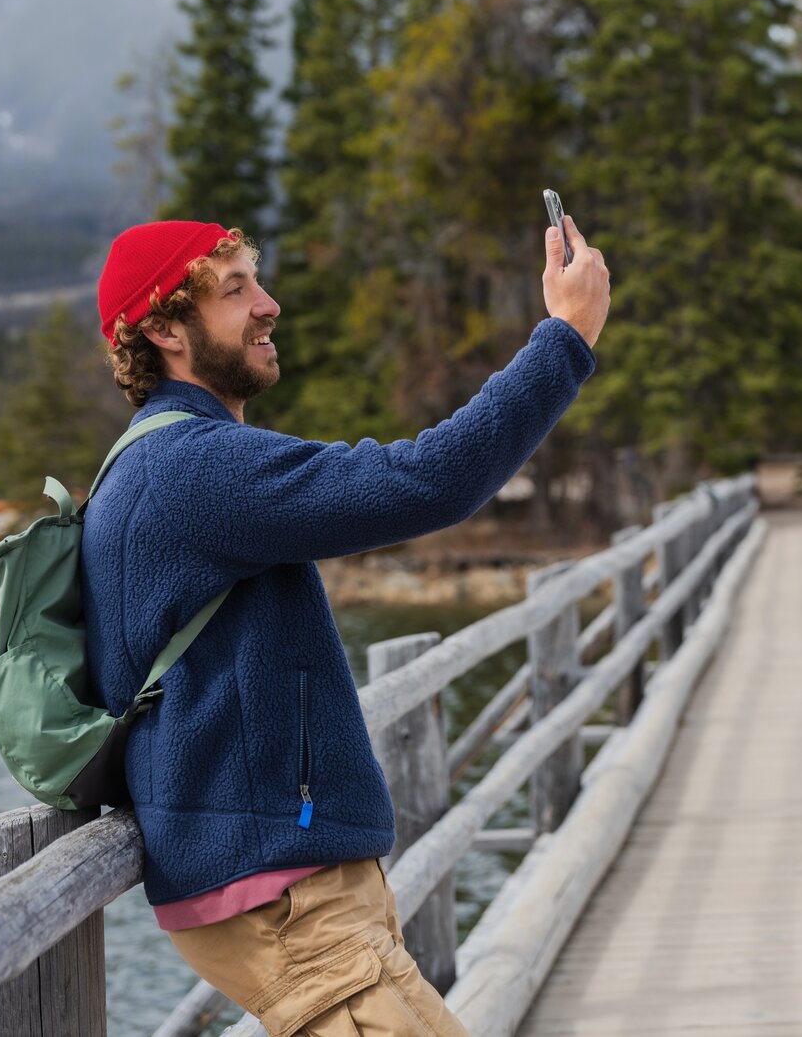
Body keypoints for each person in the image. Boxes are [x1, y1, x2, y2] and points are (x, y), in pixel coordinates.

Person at [81, 214, 610, 1037]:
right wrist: (564, 339)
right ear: (161, 329)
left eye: (257, 280)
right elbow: (428, 480)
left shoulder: (157, 461)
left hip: (287, 895)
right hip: (290, 906)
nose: (269, 303)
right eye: (235, 289)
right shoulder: (190, 467)